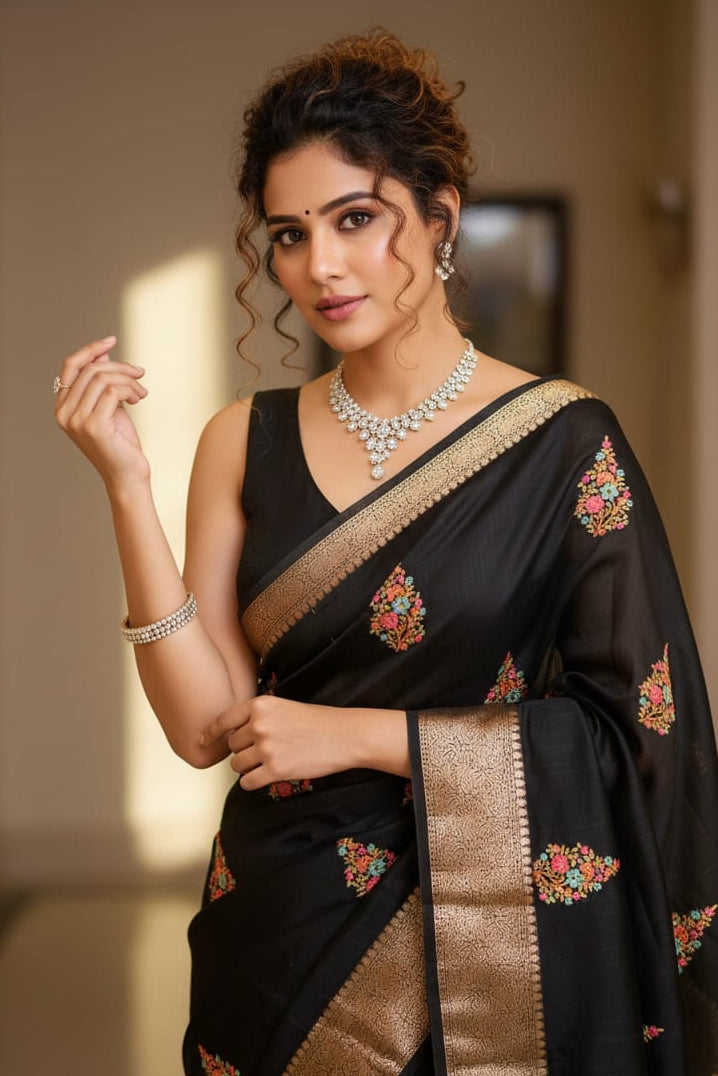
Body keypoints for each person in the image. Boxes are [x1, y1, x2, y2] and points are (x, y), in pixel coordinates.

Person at [53, 29, 718, 1076]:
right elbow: (200, 727)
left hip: (498, 946)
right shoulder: (244, 436)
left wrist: (361, 736)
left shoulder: (561, 442)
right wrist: (126, 485)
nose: (318, 266)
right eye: (286, 234)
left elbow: (634, 734)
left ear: (439, 215)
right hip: (278, 930)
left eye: (355, 219)